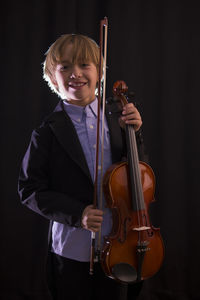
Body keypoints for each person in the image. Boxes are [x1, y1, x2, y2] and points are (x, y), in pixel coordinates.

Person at [18, 34, 146, 300]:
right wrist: (78, 214)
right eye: (65, 67)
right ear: (54, 79)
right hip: (72, 250)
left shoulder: (118, 119)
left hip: (122, 244)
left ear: (99, 72)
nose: (75, 73)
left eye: (84, 65)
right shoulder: (46, 132)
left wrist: (135, 135)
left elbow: (139, 176)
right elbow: (29, 190)